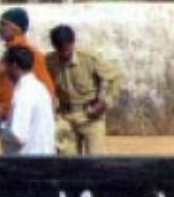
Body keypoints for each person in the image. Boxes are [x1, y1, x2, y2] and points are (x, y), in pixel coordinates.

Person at [46, 25, 119, 156]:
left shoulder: (89, 58)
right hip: (66, 117)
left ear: (73, 43)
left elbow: (115, 77)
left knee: (96, 163)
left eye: (67, 50)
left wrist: (106, 102)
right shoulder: (49, 61)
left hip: (91, 116)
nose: (64, 54)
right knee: (68, 164)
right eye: (60, 50)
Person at [0, 7, 55, 122]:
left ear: (16, 29)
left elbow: (47, 89)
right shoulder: (8, 52)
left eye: (3, 24)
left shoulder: (31, 54)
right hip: (3, 118)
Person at [0, 46, 55, 155]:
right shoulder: (39, 87)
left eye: (6, 65)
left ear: (14, 65)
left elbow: (18, 135)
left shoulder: (23, 93)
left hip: (27, 160)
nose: (4, 70)